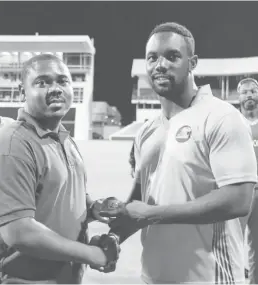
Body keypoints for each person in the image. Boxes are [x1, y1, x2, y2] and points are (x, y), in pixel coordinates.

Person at [99, 22, 258, 283]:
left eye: (172, 56)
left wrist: (153, 215)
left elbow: (239, 199)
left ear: (192, 62)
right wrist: (114, 238)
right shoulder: (146, 131)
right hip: (153, 275)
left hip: (209, 277)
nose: (160, 64)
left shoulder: (221, 117)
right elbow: (138, 205)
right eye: (152, 57)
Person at [0, 54, 119, 284]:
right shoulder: (11, 146)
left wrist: (93, 209)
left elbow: (58, 196)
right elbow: (20, 233)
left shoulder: (62, 139)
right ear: (23, 92)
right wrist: (92, 254)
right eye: (42, 82)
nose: (56, 88)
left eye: (63, 81)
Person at [237, 77, 258, 284]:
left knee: (257, 245)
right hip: (240, 192)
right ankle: (231, 279)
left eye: (253, 91)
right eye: (245, 92)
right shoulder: (233, 123)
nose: (250, 94)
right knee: (233, 241)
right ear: (239, 97)